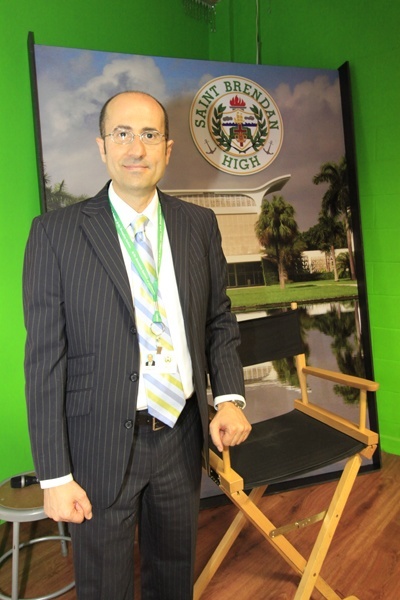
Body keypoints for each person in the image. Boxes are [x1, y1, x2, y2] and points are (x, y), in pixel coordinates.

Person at [23, 91, 251, 600]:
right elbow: (44, 362)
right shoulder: (55, 234)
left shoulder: (198, 225)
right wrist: (53, 475)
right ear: (101, 147)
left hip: (179, 435)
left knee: (173, 575)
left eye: (149, 134)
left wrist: (231, 397)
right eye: (122, 133)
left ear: (168, 149)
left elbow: (218, 319)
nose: (136, 147)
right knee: (105, 584)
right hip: (98, 446)